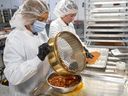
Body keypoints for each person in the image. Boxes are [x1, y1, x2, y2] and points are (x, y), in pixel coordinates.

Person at [3, 0, 51, 96]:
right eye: (41, 20)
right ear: (27, 17)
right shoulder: (15, 38)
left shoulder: (41, 32)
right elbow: (13, 76)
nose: (43, 24)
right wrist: (38, 59)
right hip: (25, 92)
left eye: (45, 20)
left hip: (41, 88)